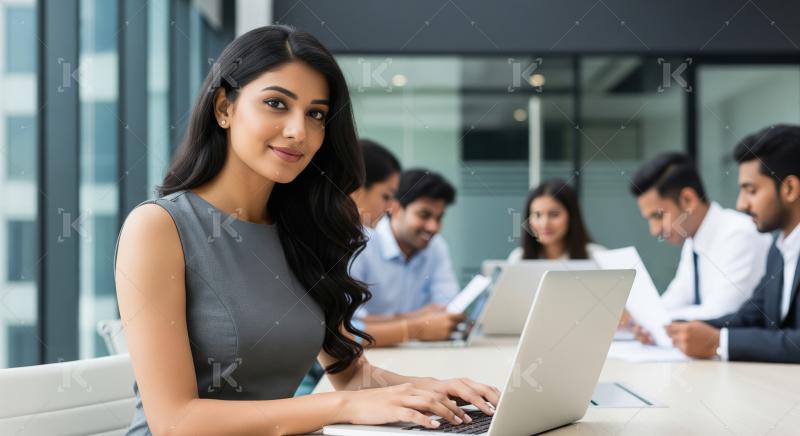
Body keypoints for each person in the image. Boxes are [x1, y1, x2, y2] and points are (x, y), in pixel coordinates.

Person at [115, 25, 499, 436]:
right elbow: (175, 421)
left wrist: (437, 390)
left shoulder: (304, 228)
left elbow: (351, 377)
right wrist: (344, 406)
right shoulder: (158, 227)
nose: (299, 131)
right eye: (277, 103)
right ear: (224, 108)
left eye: (316, 114)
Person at [664, 125, 800, 362]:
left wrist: (718, 342)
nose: (741, 204)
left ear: (789, 188)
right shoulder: (779, 250)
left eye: (751, 191)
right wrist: (677, 329)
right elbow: (750, 317)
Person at [629, 152, 771, 325]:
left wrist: (656, 321)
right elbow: (675, 300)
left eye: (658, 216)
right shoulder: (693, 241)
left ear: (688, 200)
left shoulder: (740, 235)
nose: (654, 230)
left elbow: (720, 313)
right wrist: (642, 321)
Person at [350, 169, 461, 320]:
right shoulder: (362, 242)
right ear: (395, 208)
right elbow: (350, 319)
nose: (433, 227)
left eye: (439, 218)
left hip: (422, 343)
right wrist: (414, 321)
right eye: (424, 215)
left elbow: (447, 307)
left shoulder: (436, 246)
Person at [508, 178, 605, 262]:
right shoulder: (518, 259)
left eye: (554, 214)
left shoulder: (597, 256)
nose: (544, 224)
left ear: (572, 216)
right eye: (537, 215)